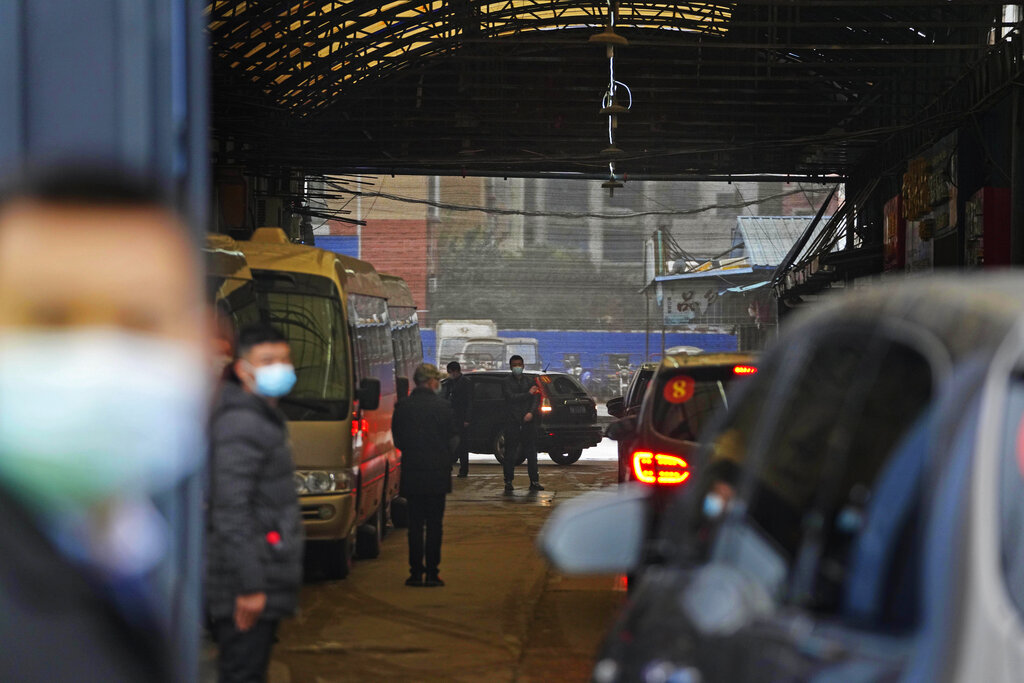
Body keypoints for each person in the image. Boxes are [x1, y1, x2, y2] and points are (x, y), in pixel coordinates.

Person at [0, 167, 209, 682]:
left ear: (203, 342)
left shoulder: (121, 560)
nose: (97, 359)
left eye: (140, 322)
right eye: (50, 319)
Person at [206, 323, 304, 682]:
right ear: (243, 369)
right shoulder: (241, 423)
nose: (278, 368)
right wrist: (250, 585)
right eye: (266, 360)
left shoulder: (260, 418)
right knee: (242, 672)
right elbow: (231, 511)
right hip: (243, 583)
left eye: (283, 359)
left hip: (262, 572)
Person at [392, 363, 457, 587]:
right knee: (435, 525)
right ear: (430, 382)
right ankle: (432, 573)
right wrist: (444, 457)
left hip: (413, 473)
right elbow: (453, 439)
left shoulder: (403, 407)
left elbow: (398, 440)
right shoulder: (443, 407)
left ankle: (414, 573)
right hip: (437, 475)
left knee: (415, 525)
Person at [501, 355, 544, 493]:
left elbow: (536, 399)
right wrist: (528, 394)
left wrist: (531, 413)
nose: (517, 367)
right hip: (512, 421)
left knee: (531, 453)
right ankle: (508, 481)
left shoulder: (530, 381)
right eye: (514, 365)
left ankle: (534, 481)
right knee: (510, 453)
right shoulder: (506, 382)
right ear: (510, 367)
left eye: (519, 364)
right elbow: (511, 398)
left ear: (523, 365)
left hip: (528, 422)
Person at [443, 360, 473, 477]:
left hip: (461, 417)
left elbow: (470, 401)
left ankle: (464, 469)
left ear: (456, 371)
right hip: (451, 417)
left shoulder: (466, 382)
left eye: (450, 372)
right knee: (450, 443)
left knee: (463, 445)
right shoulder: (449, 383)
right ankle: (448, 466)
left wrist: (467, 418)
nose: (450, 374)